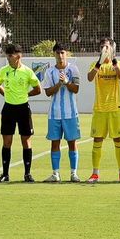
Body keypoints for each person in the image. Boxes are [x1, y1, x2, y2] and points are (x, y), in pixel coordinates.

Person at [0, 43, 42, 182]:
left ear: (18, 56)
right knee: (7, 141)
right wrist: (6, 94)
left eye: (10, 55)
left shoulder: (27, 71)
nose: (8, 58)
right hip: (8, 108)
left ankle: (27, 174)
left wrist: (25, 95)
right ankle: (5, 174)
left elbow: (38, 89)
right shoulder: (4, 70)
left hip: (23, 109)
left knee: (26, 140)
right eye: (7, 55)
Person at [86, 37, 120, 183]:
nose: (104, 49)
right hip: (99, 109)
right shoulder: (95, 64)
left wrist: (113, 59)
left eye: (107, 46)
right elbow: (89, 77)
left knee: (118, 139)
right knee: (97, 139)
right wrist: (99, 62)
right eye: (102, 46)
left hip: (115, 108)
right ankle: (95, 173)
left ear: (112, 48)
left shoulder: (118, 63)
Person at [41, 42, 82, 183]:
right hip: (54, 114)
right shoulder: (49, 72)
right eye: (57, 53)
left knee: (72, 142)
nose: (60, 56)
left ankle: (74, 173)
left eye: (62, 52)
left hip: (71, 113)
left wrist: (66, 82)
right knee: (54, 143)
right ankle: (55, 174)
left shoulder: (74, 69)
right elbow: (47, 92)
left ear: (67, 53)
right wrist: (59, 84)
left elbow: (76, 89)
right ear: (54, 54)